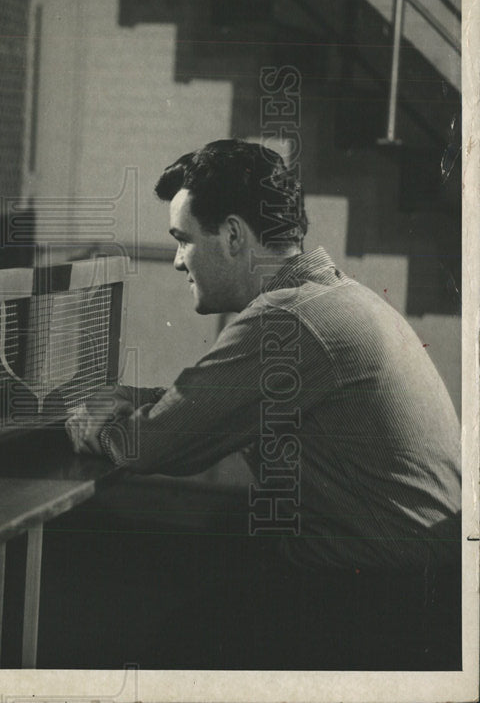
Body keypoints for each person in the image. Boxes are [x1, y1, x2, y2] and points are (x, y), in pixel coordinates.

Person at [66, 139, 461, 668]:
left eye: (183, 240)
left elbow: (152, 446)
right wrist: (137, 399)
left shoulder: (287, 319)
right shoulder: (330, 296)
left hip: (384, 598)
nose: (178, 261)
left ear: (232, 236)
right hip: (423, 582)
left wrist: (96, 423)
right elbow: (220, 402)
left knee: (168, 643)